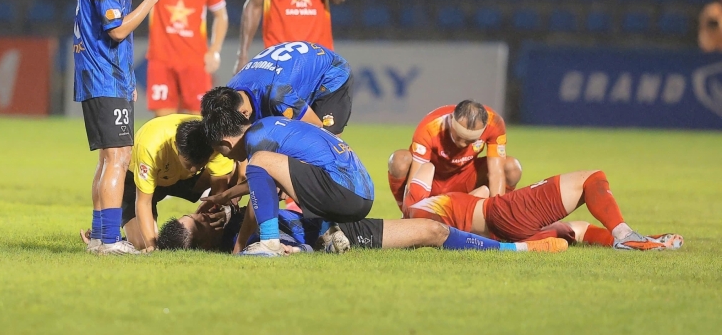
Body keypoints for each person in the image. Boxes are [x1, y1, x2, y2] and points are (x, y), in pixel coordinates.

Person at [74, 0, 177, 255]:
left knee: (111, 158)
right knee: (118, 158)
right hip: (103, 78)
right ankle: (107, 241)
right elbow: (117, 30)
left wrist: (128, 80)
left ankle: (100, 238)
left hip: (111, 78)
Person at [203, 109, 373, 257]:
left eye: (221, 152)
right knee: (268, 165)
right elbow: (267, 182)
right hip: (361, 192)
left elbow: (258, 200)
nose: (226, 157)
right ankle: (329, 234)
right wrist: (227, 195)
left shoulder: (256, 141)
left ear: (226, 142)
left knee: (259, 160)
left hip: (344, 192)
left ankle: (269, 244)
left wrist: (239, 246)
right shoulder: (267, 127)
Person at [403, 162, 683, 252]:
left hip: (504, 232)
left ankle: (647, 241)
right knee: (592, 178)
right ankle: (624, 234)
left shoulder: (426, 218)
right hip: (503, 213)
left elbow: (460, 226)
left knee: (579, 230)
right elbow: (426, 167)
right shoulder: (416, 207)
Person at [155, 206, 568, 254]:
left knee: (435, 229)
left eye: (194, 214)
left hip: (331, 214)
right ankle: (519, 252)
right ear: (205, 242)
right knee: (431, 231)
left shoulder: (226, 216)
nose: (204, 216)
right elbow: (290, 250)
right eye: (200, 224)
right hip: (339, 233)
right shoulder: (244, 246)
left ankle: (512, 241)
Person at [119, 115, 236, 252]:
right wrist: (151, 246)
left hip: (180, 178)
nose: (193, 169)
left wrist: (218, 212)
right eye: (189, 163)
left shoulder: (215, 142)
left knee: (232, 170)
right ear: (176, 146)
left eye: (200, 164)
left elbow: (220, 191)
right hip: (139, 179)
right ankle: (121, 239)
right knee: (142, 243)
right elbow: (143, 202)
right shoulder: (150, 147)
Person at [388, 100, 522, 212]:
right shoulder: (431, 126)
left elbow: (496, 173)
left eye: (470, 141)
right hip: (432, 181)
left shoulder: (494, 123)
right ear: (451, 119)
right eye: (458, 137)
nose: (463, 144)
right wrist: (411, 214)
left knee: (512, 168)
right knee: (400, 160)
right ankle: (405, 212)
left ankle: (487, 217)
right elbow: (416, 179)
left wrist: (496, 214)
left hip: (466, 178)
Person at [202, 41, 353, 134]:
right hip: (290, 75)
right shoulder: (230, 93)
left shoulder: (278, 96)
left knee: (324, 144)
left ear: (245, 113)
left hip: (331, 74)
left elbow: (316, 129)